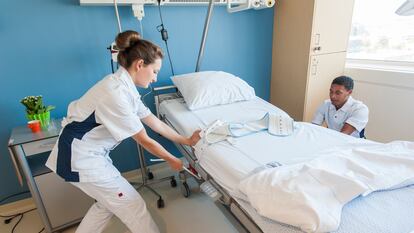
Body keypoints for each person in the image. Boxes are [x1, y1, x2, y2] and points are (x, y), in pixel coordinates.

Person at [45, 30, 201, 233]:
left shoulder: (125, 87)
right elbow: (144, 140)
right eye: (155, 71)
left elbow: (153, 122)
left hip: (87, 154)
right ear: (139, 65)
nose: (155, 78)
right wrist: (172, 159)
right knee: (133, 206)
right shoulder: (115, 93)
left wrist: (187, 140)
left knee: (105, 205)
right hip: (80, 159)